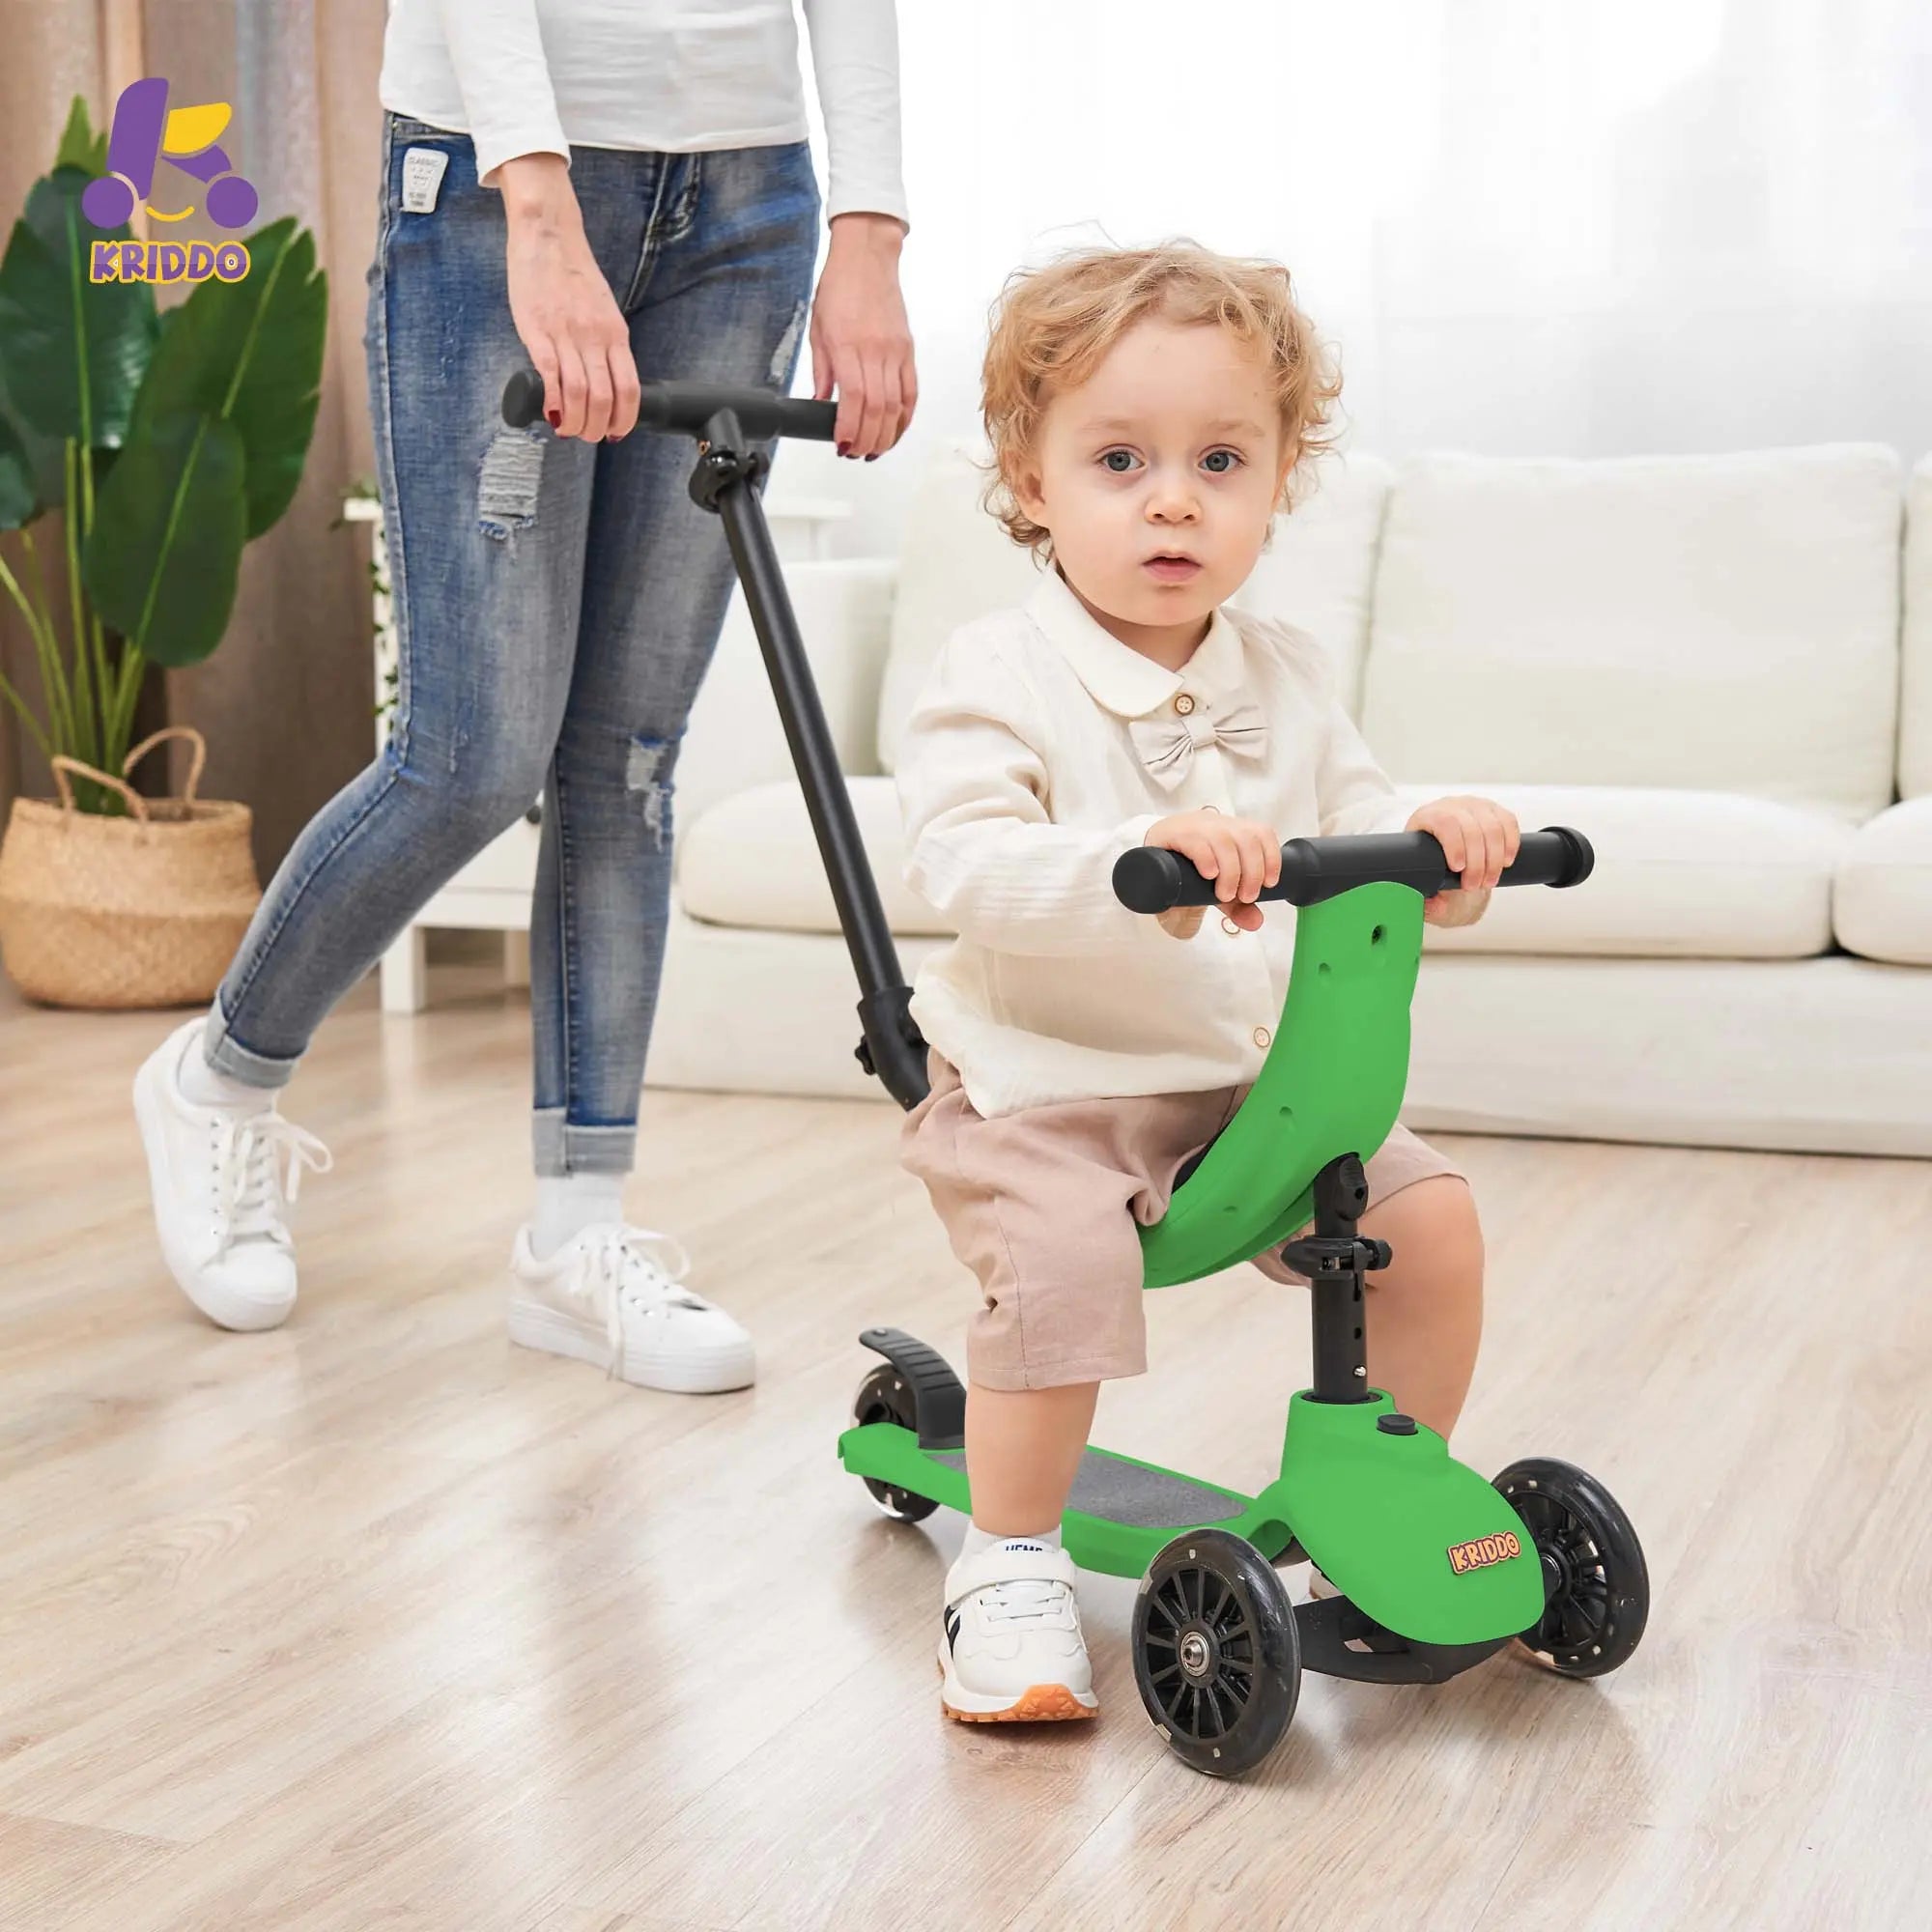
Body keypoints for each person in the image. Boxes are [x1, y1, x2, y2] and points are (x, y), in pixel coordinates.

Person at [132, 1, 916, 1394]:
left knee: (627, 758)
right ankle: (222, 1077)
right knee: (472, 752)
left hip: (748, 191)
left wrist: (870, 224)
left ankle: (577, 1234)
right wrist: (537, 202)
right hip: (497, 178)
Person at [895, 242, 1517, 1724]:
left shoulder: (1287, 673)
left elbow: (1365, 836)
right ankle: (1012, 1557)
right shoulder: (992, 670)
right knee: (1060, 1277)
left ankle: (1384, 1497)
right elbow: (967, 864)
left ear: (1279, 481)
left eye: (1220, 460)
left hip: (1257, 1094)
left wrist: (1447, 849)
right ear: (1031, 484)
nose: (1173, 497)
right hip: (1050, 1089)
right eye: (1119, 459)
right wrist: (1134, 857)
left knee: (1429, 1229)